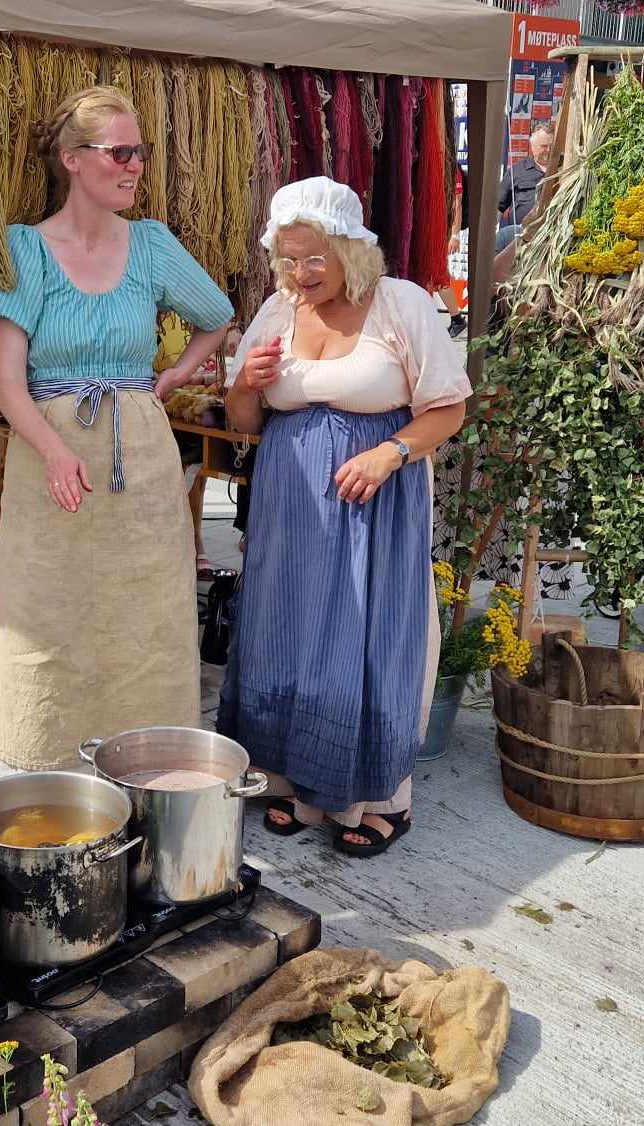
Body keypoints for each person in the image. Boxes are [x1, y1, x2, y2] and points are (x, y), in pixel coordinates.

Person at [0, 86, 234, 776]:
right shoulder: (25, 250)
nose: (135, 165)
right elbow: (8, 381)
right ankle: (41, 763)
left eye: (139, 152)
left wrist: (175, 375)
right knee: (47, 611)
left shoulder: (151, 245)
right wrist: (57, 452)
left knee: (145, 613)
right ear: (72, 160)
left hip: (139, 457)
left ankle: (145, 760)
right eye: (120, 151)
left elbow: (217, 314)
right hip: (48, 455)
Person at [218, 177, 473, 858]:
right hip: (288, 503)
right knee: (284, 625)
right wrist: (246, 384)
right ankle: (286, 781)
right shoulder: (277, 311)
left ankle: (376, 797)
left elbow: (448, 408)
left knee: (365, 634)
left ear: (350, 252)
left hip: (374, 505)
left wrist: (390, 453)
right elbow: (243, 424)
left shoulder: (400, 306)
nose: (300, 276)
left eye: (314, 261)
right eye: (288, 260)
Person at [497, 123, 555, 250]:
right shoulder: (516, 172)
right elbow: (498, 208)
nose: (549, 150)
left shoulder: (565, 167)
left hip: (554, 240)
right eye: (544, 146)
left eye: (552, 146)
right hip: (521, 240)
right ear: (532, 147)